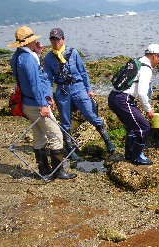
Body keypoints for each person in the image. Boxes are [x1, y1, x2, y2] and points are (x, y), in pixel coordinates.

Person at [8, 26, 76, 180]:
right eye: (34, 40)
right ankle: (59, 171)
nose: (38, 42)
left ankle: (44, 169)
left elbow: (24, 74)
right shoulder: (28, 60)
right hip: (36, 104)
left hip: (26, 103)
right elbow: (35, 84)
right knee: (56, 134)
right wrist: (43, 104)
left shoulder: (18, 56)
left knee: (39, 135)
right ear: (29, 42)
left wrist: (37, 53)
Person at [43, 28, 115, 161]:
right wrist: (48, 97)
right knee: (65, 122)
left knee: (91, 115)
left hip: (78, 87)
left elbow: (83, 72)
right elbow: (47, 79)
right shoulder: (48, 58)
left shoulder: (73, 52)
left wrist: (89, 89)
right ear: (50, 41)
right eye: (53, 39)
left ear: (63, 39)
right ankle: (71, 151)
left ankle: (108, 142)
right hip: (62, 91)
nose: (56, 41)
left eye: (58, 39)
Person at [108, 44, 159, 165]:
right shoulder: (146, 68)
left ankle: (129, 154)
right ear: (154, 56)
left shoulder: (138, 62)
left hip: (114, 97)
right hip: (123, 100)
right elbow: (142, 93)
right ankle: (136, 157)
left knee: (133, 127)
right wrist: (148, 109)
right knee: (144, 127)